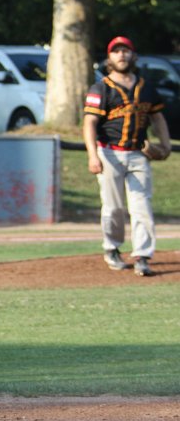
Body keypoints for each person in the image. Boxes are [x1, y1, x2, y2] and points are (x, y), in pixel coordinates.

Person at [83, 35, 172, 277]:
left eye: (125, 50)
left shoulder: (146, 87)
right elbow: (90, 122)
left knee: (141, 206)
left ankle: (142, 256)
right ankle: (112, 248)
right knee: (113, 208)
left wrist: (165, 145)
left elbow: (157, 117)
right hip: (109, 153)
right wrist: (92, 155)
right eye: (116, 51)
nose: (121, 55)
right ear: (109, 58)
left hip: (138, 154)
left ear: (133, 55)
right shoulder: (101, 88)